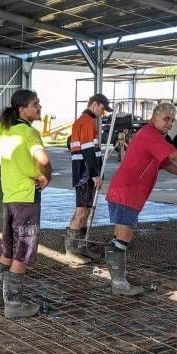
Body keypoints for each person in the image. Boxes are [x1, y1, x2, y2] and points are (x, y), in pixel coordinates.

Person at [105, 102, 177, 296]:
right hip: (126, 192)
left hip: (128, 192)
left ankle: (118, 279)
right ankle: (119, 284)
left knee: (120, 236)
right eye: (166, 119)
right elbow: (175, 155)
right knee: (123, 237)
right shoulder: (150, 136)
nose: (170, 123)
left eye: (172, 119)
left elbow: (165, 162)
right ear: (154, 118)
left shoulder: (153, 136)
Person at [0, 89, 52, 319]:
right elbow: (44, 160)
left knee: (7, 249)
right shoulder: (28, 132)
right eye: (35, 104)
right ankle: (14, 304)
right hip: (26, 197)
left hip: (9, 197)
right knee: (23, 250)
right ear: (22, 109)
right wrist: (48, 176)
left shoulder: (6, 132)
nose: (39, 108)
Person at [65, 93, 112, 263]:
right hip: (85, 174)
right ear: (94, 104)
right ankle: (72, 249)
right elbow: (87, 151)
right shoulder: (86, 122)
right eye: (102, 108)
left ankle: (81, 245)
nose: (103, 112)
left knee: (85, 210)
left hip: (85, 174)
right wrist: (94, 174)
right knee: (81, 211)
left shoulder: (85, 121)